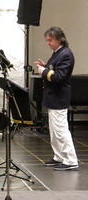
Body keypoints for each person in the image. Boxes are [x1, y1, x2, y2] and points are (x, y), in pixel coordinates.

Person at [34, 26, 78, 171]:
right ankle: (59, 156)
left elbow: (59, 77)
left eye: (50, 40)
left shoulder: (65, 54)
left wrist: (44, 71)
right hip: (53, 97)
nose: (48, 43)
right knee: (54, 131)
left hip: (59, 97)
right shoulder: (58, 53)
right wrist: (45, 66)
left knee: (61, 130)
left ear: (59, 39)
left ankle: (71, 160)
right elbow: (55, 69)